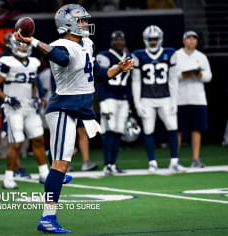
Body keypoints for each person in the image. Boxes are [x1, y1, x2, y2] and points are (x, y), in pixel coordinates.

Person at [14, 4, 134, 233]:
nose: (85, 24)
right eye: (80, 21)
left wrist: (119, 68)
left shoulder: (86, 43)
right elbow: (62, 59)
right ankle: (47, 218)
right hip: (63, 109)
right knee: (60, 165)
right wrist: (32, 41)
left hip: (76, 109)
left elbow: (99, 74)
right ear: (68, 24)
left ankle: (55, 169)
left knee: (61, 163)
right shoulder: (59, 46)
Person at [0, 34, 50, 189]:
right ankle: (8, 178)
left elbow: (34, 82)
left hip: (30, 107)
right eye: (20, 44)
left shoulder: (34, 63)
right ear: (13, 46)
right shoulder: (6, 62)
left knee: (38, 139)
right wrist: (6, 98)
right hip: (13, 108)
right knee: (16, 143)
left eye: (25, 44)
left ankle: (44, 173)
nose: (23, 47)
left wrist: (36, 97)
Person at [132, 25, 185, 174]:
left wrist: (174, 100)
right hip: (147, 98)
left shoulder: (170, 53)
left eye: (155, 39)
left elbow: (173, 79)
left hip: (165, 97)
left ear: (160, 39)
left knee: (172, 127)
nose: (153, 42)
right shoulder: (138, 55)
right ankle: (152, 163)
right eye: (150, 39)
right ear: (145, 40)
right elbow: (135, 81)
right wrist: (137, 102)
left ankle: (174, 161)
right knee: (148, 130)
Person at [171, 31, 212, 168]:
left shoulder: (201, 57)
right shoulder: (176, 55)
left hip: (198, 98)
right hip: (180, 98)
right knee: (178, 130)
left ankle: (195, 159)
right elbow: (172, 75)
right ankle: (175, 159)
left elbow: (208, 77)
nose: (192, 41)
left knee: (197, 129)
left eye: (194, 38)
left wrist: (198, 74)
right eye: (189, 38)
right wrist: (185, 74)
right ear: (183, 40)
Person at [96, 30, 131, 175]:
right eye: (116, 40)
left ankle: (114, 164)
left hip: (122, 98)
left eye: (120, 40)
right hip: (109, 97)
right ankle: (107, 164)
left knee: (118, 132)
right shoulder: (104, 56)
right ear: (111, 42)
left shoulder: (128, 57)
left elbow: (130, 82)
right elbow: (99, 79)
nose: (118, 42)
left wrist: (129, 101)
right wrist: (102, 100)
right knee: (108, 131)